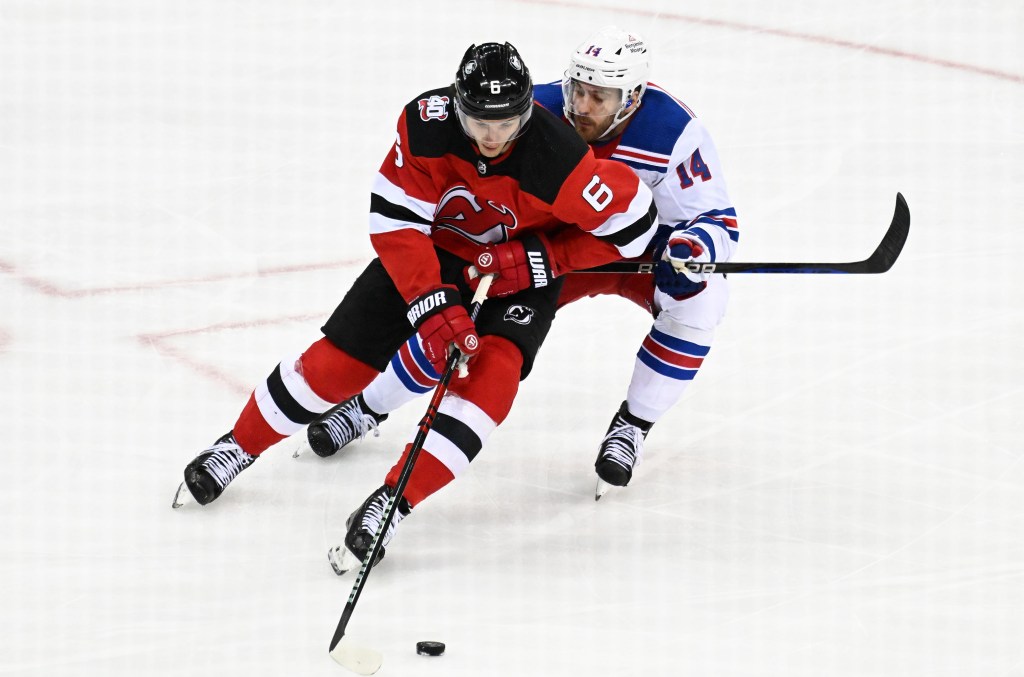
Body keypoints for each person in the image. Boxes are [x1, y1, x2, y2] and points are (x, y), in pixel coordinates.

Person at [173, 42, 657, 565]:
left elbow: (636, 228)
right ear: (456, 105)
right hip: (433, 252)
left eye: (507, 122)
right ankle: (237, 446)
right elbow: (394, 223)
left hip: (519, 277)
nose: (493, 138)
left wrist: (546, 259)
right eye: (479, 122)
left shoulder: (559, 157)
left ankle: (393, 503)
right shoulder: (425, 124)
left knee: (490, 380)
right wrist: (431, 303)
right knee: (337, 366)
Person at [306, 26, 739, 506]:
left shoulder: (675, 133)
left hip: (632, 256)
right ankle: (368, 406)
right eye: (578, 89)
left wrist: (693, 249)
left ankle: (632, 426)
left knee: (703, 301)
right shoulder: (536, 108)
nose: (581, 106)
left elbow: (716, 218)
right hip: (546, 253)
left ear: (632, 97)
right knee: (464, 320)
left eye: (600, 96)